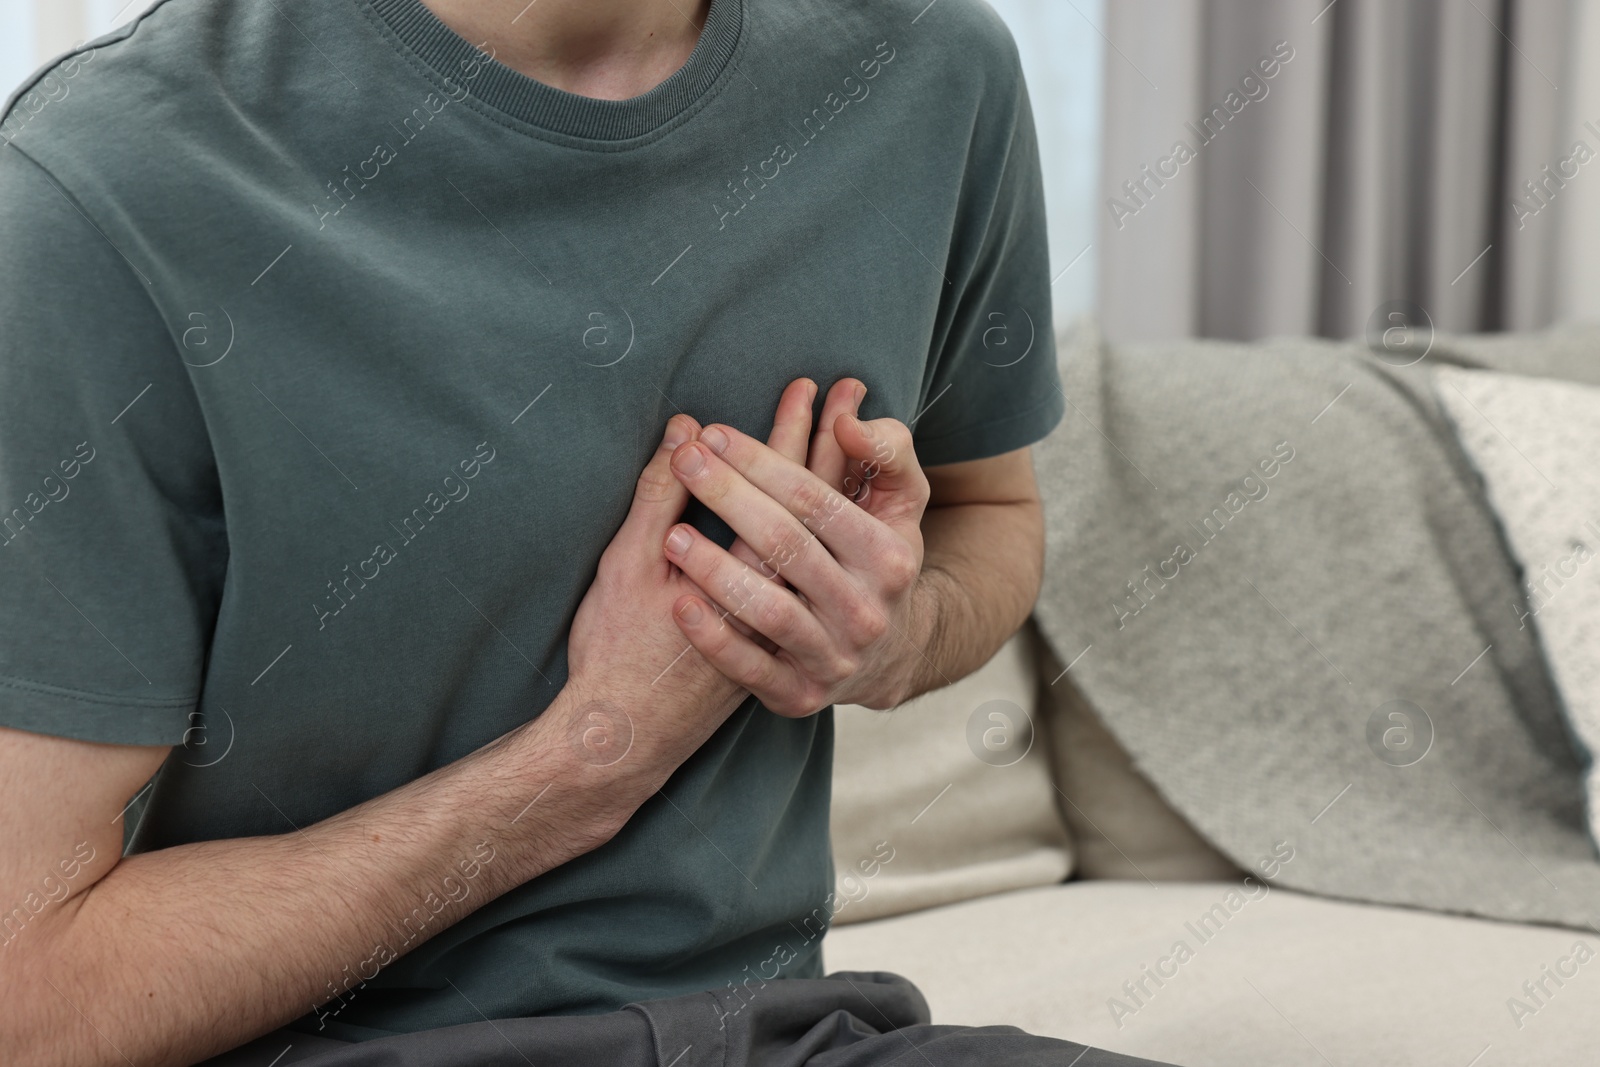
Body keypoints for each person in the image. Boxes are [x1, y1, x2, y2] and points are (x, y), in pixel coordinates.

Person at [0, 0, 1173, 1064]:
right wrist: (579, 766)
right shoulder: (102, 185)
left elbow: (994, 513)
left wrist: (887, 636)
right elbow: (31, 994)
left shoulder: (932, 70)